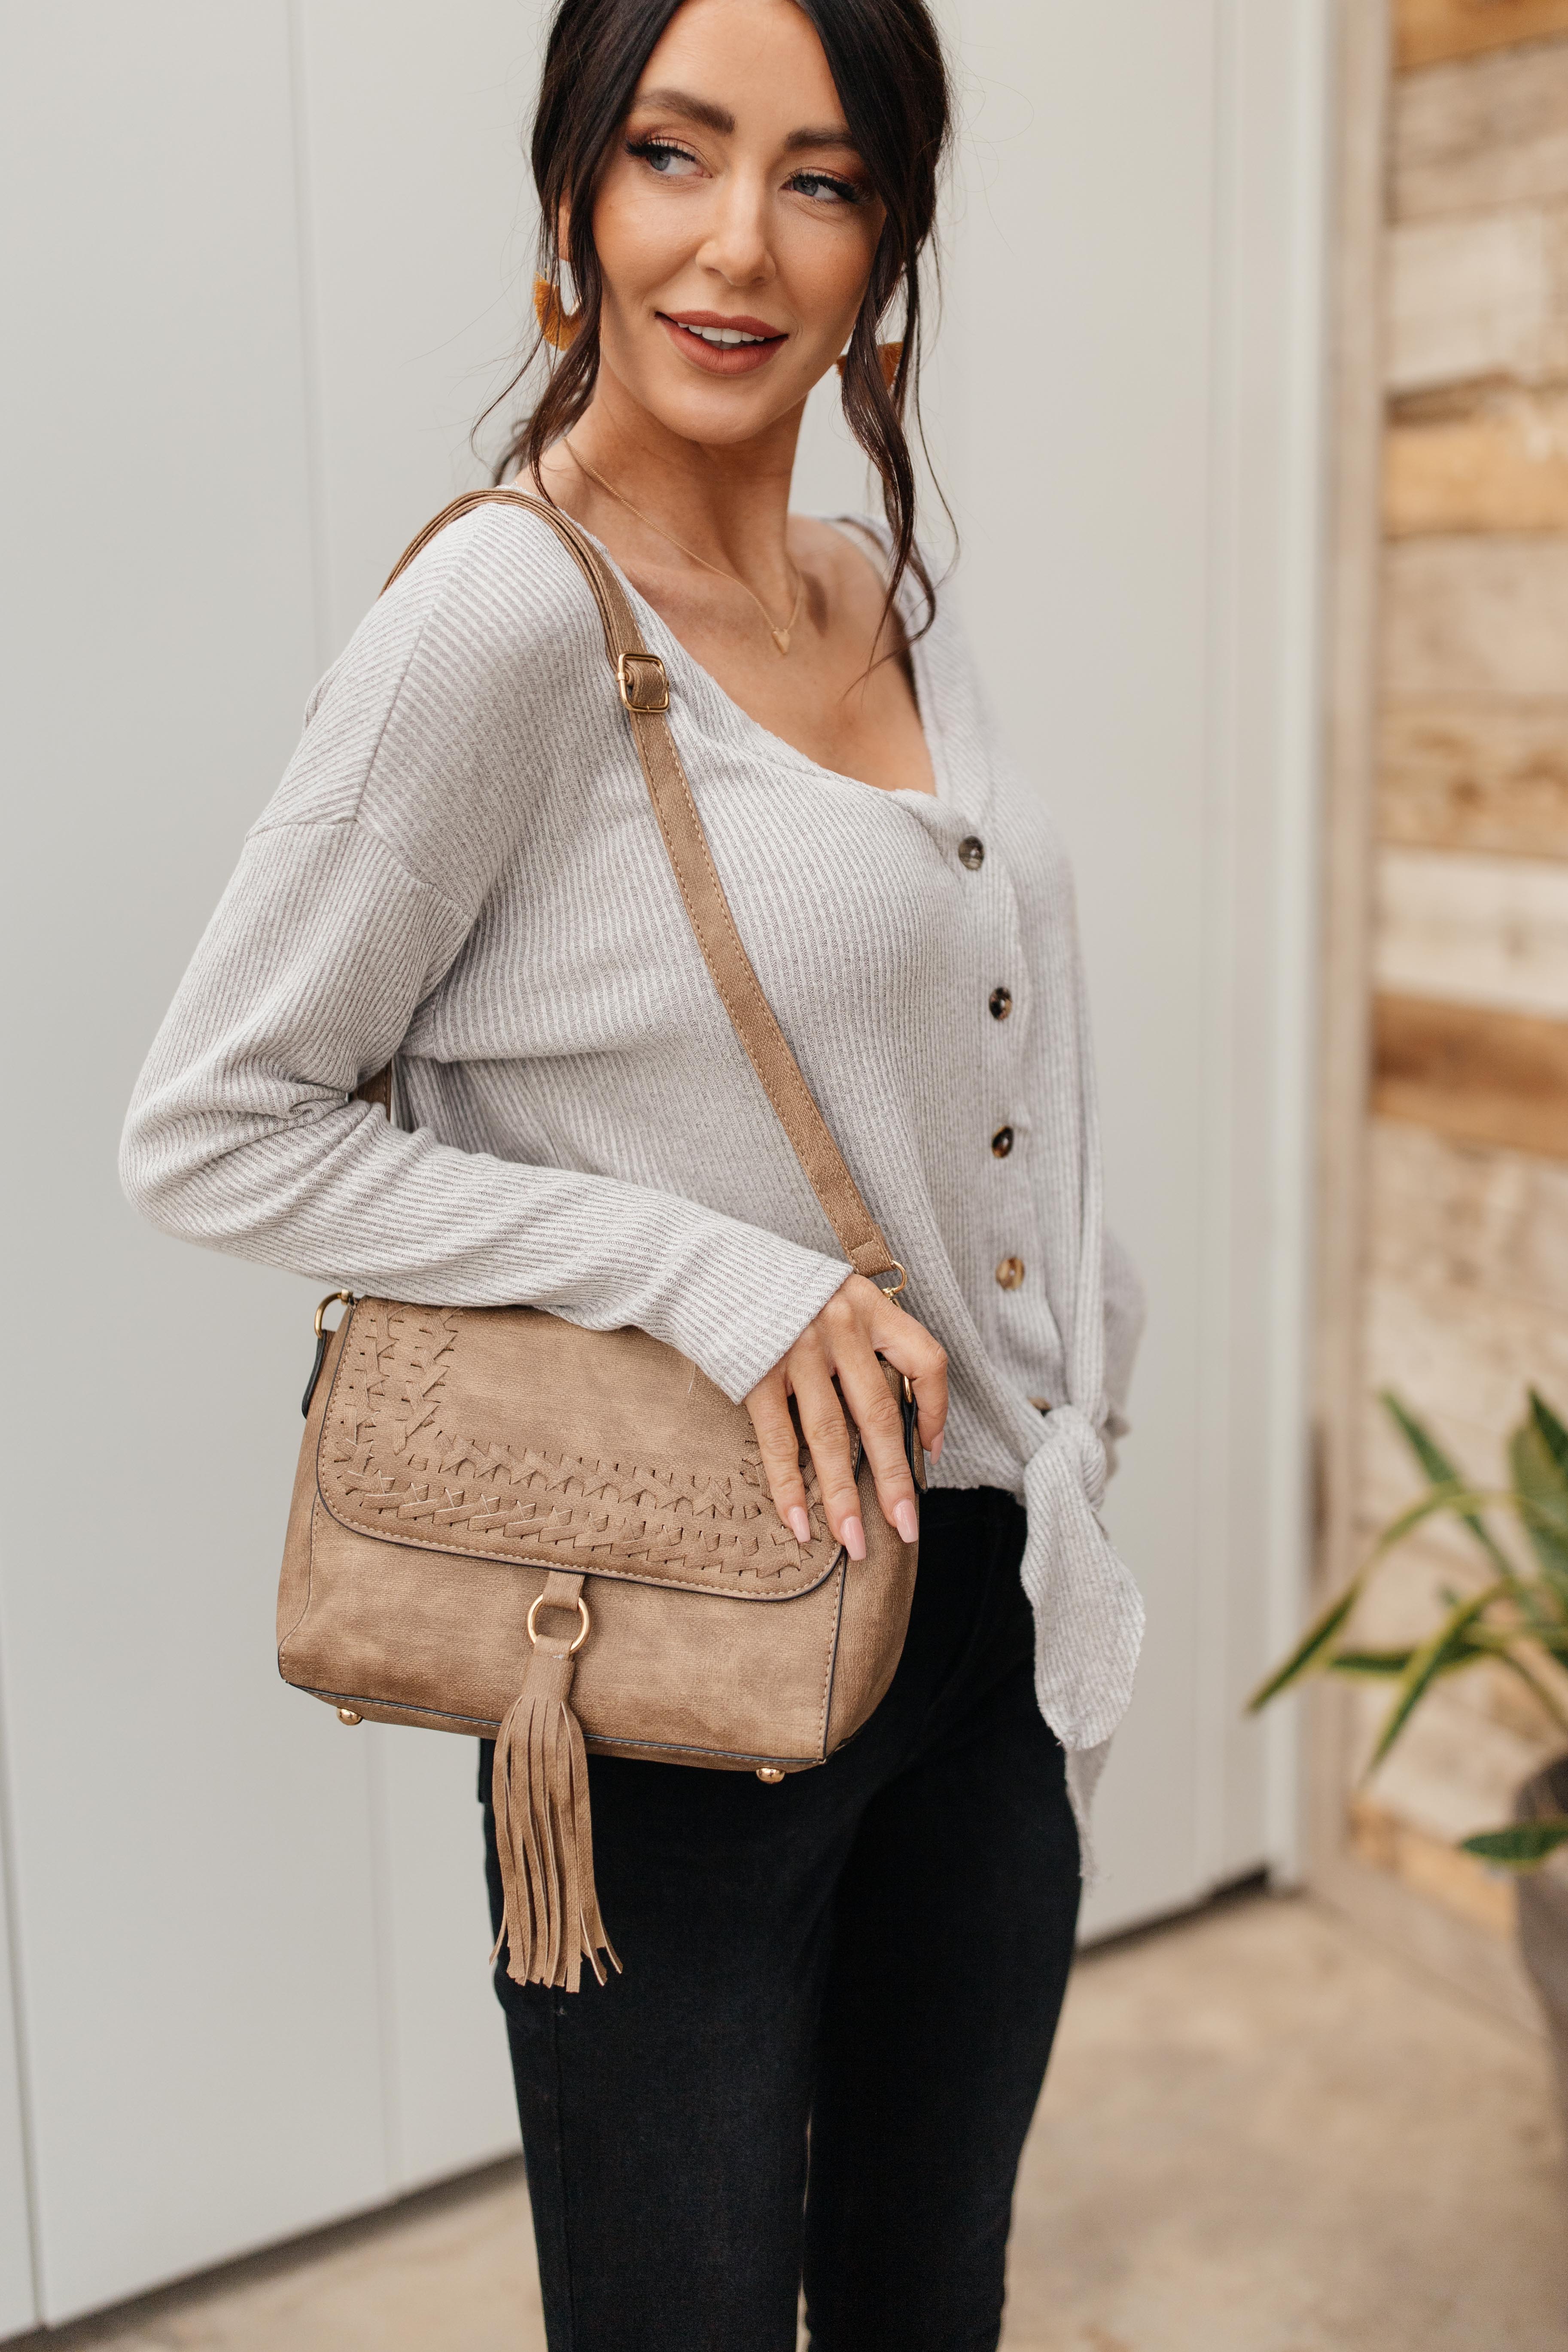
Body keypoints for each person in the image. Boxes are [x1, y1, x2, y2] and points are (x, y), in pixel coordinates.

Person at [121, 0, 1145, 2343]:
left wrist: (1090, 1369)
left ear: (885, 237)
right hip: (663, 1649)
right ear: (574, 198)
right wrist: (711, 1278)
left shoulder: (884, 585)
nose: (736, 242)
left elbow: (995, 1041)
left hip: (986, 1602)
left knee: (928, 2287)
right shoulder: (500, 616)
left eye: (817, 176)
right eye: (673, 155)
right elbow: (214, 1117)